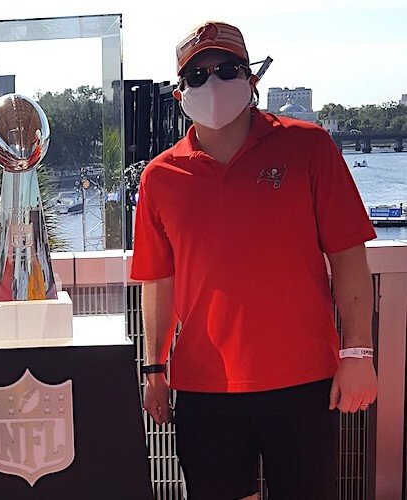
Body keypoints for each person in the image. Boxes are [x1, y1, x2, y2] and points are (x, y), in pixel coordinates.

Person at [132, 22, 378, 500]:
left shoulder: (310, 147)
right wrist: (153, 370)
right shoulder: (160, 177)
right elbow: (158, 281)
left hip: (305, 381)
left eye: (226, 70)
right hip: (205, 388)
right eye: (197, 76)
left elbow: (349, 256)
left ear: (251, 79)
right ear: (180, 93)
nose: (214, 84)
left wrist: (358, 355)